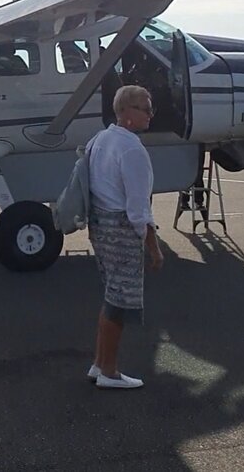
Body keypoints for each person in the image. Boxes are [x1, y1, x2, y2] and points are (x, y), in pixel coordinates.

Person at [86, 85, 163, 390]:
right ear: (128, 113)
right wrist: (155, 249)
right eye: (145, 108)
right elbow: (138, 209)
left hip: (101, 226)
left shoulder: (101, 138)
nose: (150, 114)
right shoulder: (131, 149)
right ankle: (109, 371)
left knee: (110, 298)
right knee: (119, 304)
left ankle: (98, 363)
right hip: (120, 232)